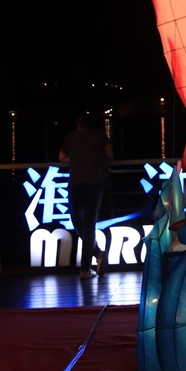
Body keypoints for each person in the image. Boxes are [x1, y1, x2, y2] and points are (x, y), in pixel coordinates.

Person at [58, 113, 114, 279]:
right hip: (94, 182)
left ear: (78, 124)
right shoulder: (100, 135)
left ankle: (87, 266)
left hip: (75, 184)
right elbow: (110, 156)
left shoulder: (70, 137)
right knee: (89, 224)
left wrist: (76, 160)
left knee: (78, 222)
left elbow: (61, 157)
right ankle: (94, 259)